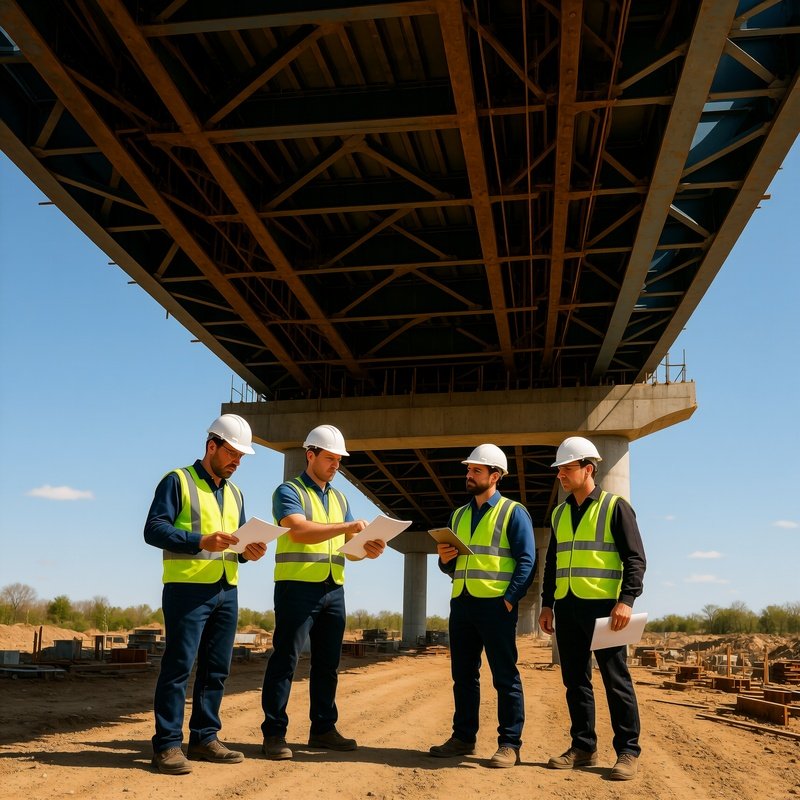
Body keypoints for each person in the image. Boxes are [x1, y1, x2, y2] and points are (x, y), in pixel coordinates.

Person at [144, 413, 267, 775]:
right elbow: (153, 529)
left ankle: (204, 737)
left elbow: (234, 543)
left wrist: (248, 552)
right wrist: (198, 541)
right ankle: (166, 746)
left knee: (216, 669)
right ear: (211, 446)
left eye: (242, 457)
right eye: (232, 453)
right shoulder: (177, 481)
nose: (237, 462)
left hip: (226, 589)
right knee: (178, 667)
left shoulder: (236, 493)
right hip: (187, 590)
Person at [260, 424, 385, 759]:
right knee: (285, 660)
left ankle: (323, 729)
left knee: (328, 663)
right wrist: (348, 527)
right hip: (296, 587)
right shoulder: (289, 492)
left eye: (339, 460)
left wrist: (366, 549)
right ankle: (274, 733)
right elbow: (298, 531)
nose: (335, 465)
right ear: (310, 455)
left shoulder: (340, 498)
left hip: (333, 588)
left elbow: (349, 549)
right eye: (330, 458)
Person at [538, 436, 646, 781]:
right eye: (559, 471)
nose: (561, 476)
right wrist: (546, 604)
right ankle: (583, 746)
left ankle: (627, 751)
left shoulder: (615, 507)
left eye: (566, 469)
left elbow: (635, 559)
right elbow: (552, 563)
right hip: (567, 606)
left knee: (617, 681)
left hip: (606, 609)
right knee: (575, 681)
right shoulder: (559, 512)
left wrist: (626, 601)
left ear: (588, 469)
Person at [429, 444, 535, 768]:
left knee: (505, 676)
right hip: (461, 603)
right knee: (463, 676)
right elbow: (451, 565)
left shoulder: (513, 512)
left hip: (495, 605)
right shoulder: (458, 515)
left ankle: (509, 744)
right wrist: (444, 561)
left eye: (476, 470)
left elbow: (527, 560)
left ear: (495, 475)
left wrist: (509, 598)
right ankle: (463, 738)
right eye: (468, 470)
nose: (469, 475)